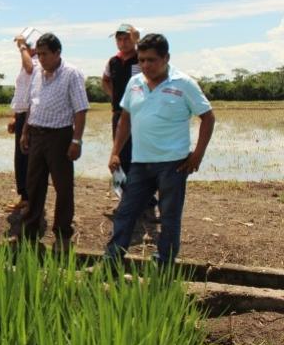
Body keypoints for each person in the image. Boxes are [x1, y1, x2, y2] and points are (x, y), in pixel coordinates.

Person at [105, 33, 215, 265]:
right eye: (142, 60)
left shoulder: (183, 83)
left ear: (166, 58)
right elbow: (125, 118)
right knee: (126, 213)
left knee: (169, 217)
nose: (145, 65)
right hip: (140, 163)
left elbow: (208, 117)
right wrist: (115, 151)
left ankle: (163, 264)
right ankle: (111, 261)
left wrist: (198, 155)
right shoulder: (135, 83)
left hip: (173, 164)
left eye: (151, 60)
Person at [19, 33, 89, 251]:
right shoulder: (38, 73)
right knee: (34, 184)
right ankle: (30, 229)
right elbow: (33, 104)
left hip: (60, 136)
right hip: (37, 135)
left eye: (45, 54)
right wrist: (25, 132)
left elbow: (80, 109)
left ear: (57, 53)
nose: (40, 58)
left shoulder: (71, 74)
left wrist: (76, 140)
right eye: (38, 54)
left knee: (63, 186)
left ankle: (62, 232)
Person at [101, 23, 159, 216]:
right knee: (121, 156)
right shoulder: (113, 62)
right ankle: (128, 199)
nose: (123, 42)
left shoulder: (141, 59)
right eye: (119, 39)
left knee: (142, 156)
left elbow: (153, 77)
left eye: (127, 38)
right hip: (119, 114)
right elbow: (105, 80)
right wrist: (115, 97)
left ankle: (146, 198)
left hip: (141, 115)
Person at [6, 33, 38, 213]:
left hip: (31, 115)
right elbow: (21, 92)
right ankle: (25, 197)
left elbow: (29, 68)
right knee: (21, 157)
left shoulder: (37, 63)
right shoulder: (28, 63)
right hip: (22, 114)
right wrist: (14, 116)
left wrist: (22, 47)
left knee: (28, 156)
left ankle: (31, 199)